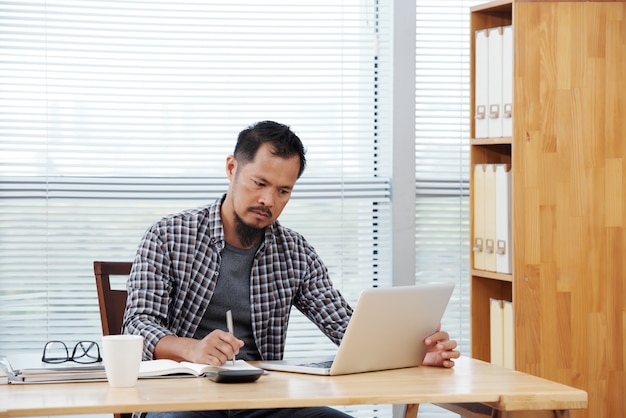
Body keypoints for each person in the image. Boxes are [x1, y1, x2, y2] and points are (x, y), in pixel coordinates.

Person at [122, 120, 460, 418]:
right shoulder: (168, 236)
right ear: (231, 168)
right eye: (259, 183)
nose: (269, 200)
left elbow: (347, 327)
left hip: (261, 399)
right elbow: (137, 325)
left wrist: (414, 354)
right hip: (179, 399)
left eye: (283, 190)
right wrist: (192, 349)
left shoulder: (294, 252)